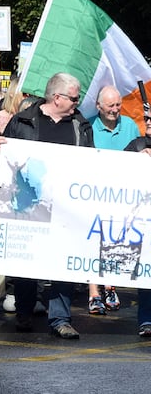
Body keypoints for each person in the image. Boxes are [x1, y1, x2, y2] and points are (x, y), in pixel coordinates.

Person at [0, 72, 93, 339]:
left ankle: (60, 318)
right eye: (74, 98)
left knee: (63, 262)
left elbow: (92, 163)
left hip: (67, 206)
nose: (78, 102)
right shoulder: (24, 120)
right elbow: (3, 160)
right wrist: (1, 147)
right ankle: (24, 311)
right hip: (30, 203)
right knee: (28, 260)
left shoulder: (80, 125)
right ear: (57, 97)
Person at [84, 85, 137, 314]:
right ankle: (93, 292)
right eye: (110, 106)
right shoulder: (88, 126)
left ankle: (110, 285)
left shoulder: (131, 126)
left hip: (121, 195)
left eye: (118, 105)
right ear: (98, 106)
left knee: (114, 242)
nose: (115, 110)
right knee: (93, 242)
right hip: (94, 193)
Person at [124, 116, 151, 337]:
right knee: (147, 273)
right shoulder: (137, 145)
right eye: (146, 118)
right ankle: (146, 320)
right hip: (144, 220)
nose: (148, 122)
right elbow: (114, 168)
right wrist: (135, 160)